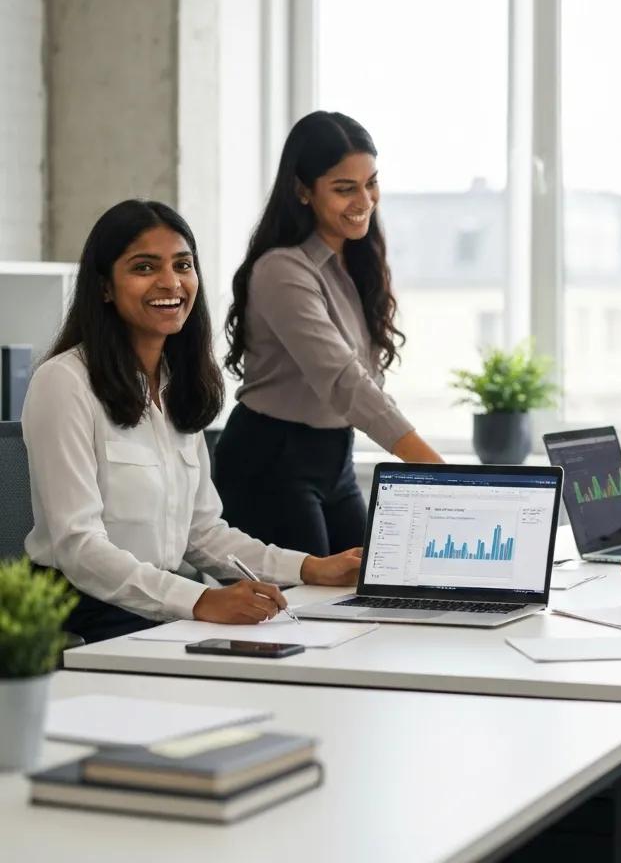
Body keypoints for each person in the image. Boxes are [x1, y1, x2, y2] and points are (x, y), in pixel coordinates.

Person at [22, 200, 363, 644]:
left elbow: (202, 533)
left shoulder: (177, 385)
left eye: (183, 265)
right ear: (104, 286)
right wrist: (201, 601)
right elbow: (79, 548)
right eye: (144, 268)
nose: (170, 282)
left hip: (163, 604)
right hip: (83, 612)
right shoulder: (63, 383)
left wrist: (309, 567)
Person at [215, 111, 442, 558]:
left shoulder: (352, 264)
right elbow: (343, 380)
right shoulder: (282, 270)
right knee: (298, 618)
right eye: (344, 188)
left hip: (334, 457)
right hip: (271, 461)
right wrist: (438, 471)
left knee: (375, 588)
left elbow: (365, 380)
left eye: (370, 183)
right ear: (302, 190)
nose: (364, 199)